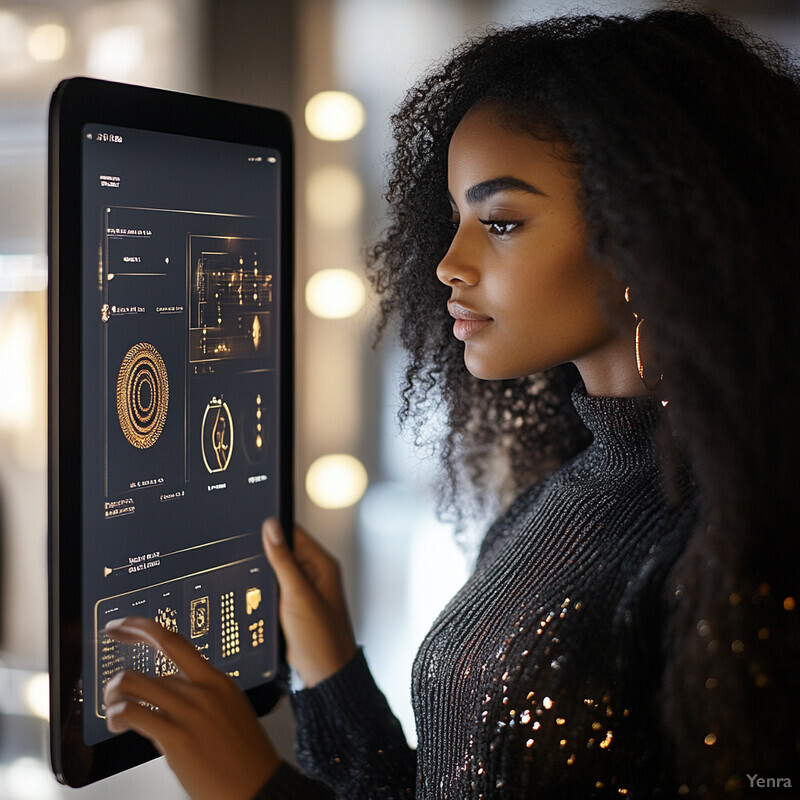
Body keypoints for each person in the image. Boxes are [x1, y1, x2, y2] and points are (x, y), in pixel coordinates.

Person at [101, 7, 800, 798]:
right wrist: (331, 669)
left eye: (500, 221)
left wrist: (258, 788)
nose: (447, 263)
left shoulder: (746, 545)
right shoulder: (560, 496)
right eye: (457, 215)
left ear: (652, 231)